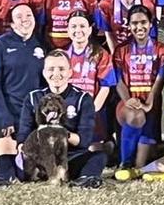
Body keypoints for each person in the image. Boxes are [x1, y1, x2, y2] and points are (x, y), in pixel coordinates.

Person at [15, 49, 104, 187]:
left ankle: (85, 180)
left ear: (70, 72)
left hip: (69, 156)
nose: (56, 74)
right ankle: (2, 179)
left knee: (99, 157)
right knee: (4, 159)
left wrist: (59, 133)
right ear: (44, 73)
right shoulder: (33, 97)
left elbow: (84, 141)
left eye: (61, 69)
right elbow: (23, 135)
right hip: (39, 158)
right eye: (51, 69)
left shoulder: (83, 99)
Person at [0, 3, 46, 184]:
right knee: (6, 173)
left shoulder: (42, 44)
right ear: (12, 23)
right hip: (8, 112)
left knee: (30, 174)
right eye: (19, 17)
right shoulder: (0, 45)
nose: (25, 20)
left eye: (29, 15)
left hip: (33, 115)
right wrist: (3, 116)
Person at [112, 5, 164, 172]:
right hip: (127, 105)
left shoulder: (163, 49)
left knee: (141, 166)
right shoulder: (120, 50)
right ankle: (124, 163)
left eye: (143, 22)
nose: (139, 27)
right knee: (136, 115)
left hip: (151, 105)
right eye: (134, 23)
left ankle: (135, 161)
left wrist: (149, 103)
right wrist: (128, 100)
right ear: (129, 26)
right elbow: (118, 81)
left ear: (151, 24)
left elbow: (159, 81)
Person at [64, 11, 117, 149]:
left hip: (93, 110)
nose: (78, 30)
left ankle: (106, 146)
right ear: (68, 30)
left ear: (89, 29)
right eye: (73, 27)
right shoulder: (62, 55)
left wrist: (89, 112)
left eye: (82, 26)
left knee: (91, 150)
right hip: (67, 111)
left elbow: (106, 87)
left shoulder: (101, 54)